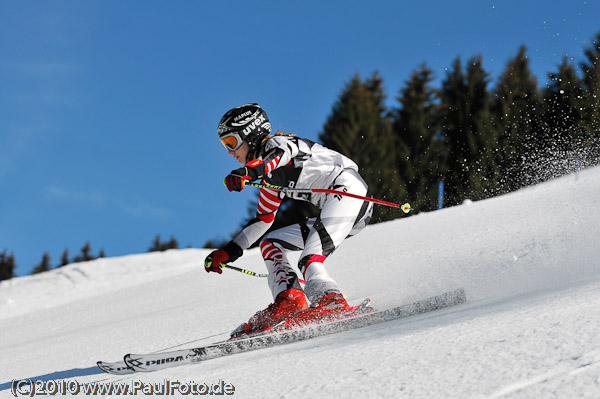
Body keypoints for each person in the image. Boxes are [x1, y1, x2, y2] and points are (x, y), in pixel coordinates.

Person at [204, 103, 373, 336]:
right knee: (270, 242)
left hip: (349, 192)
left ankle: (331, 301)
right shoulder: (269, 179)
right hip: (336, 209)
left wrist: (248, 172)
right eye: (225, 146)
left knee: (309, 259)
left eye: (231, 143)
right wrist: (229, 251)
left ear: (250, 134)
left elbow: (277, 157)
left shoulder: (279, 145)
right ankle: (289, 299)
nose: (230, 152)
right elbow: (263, 219)